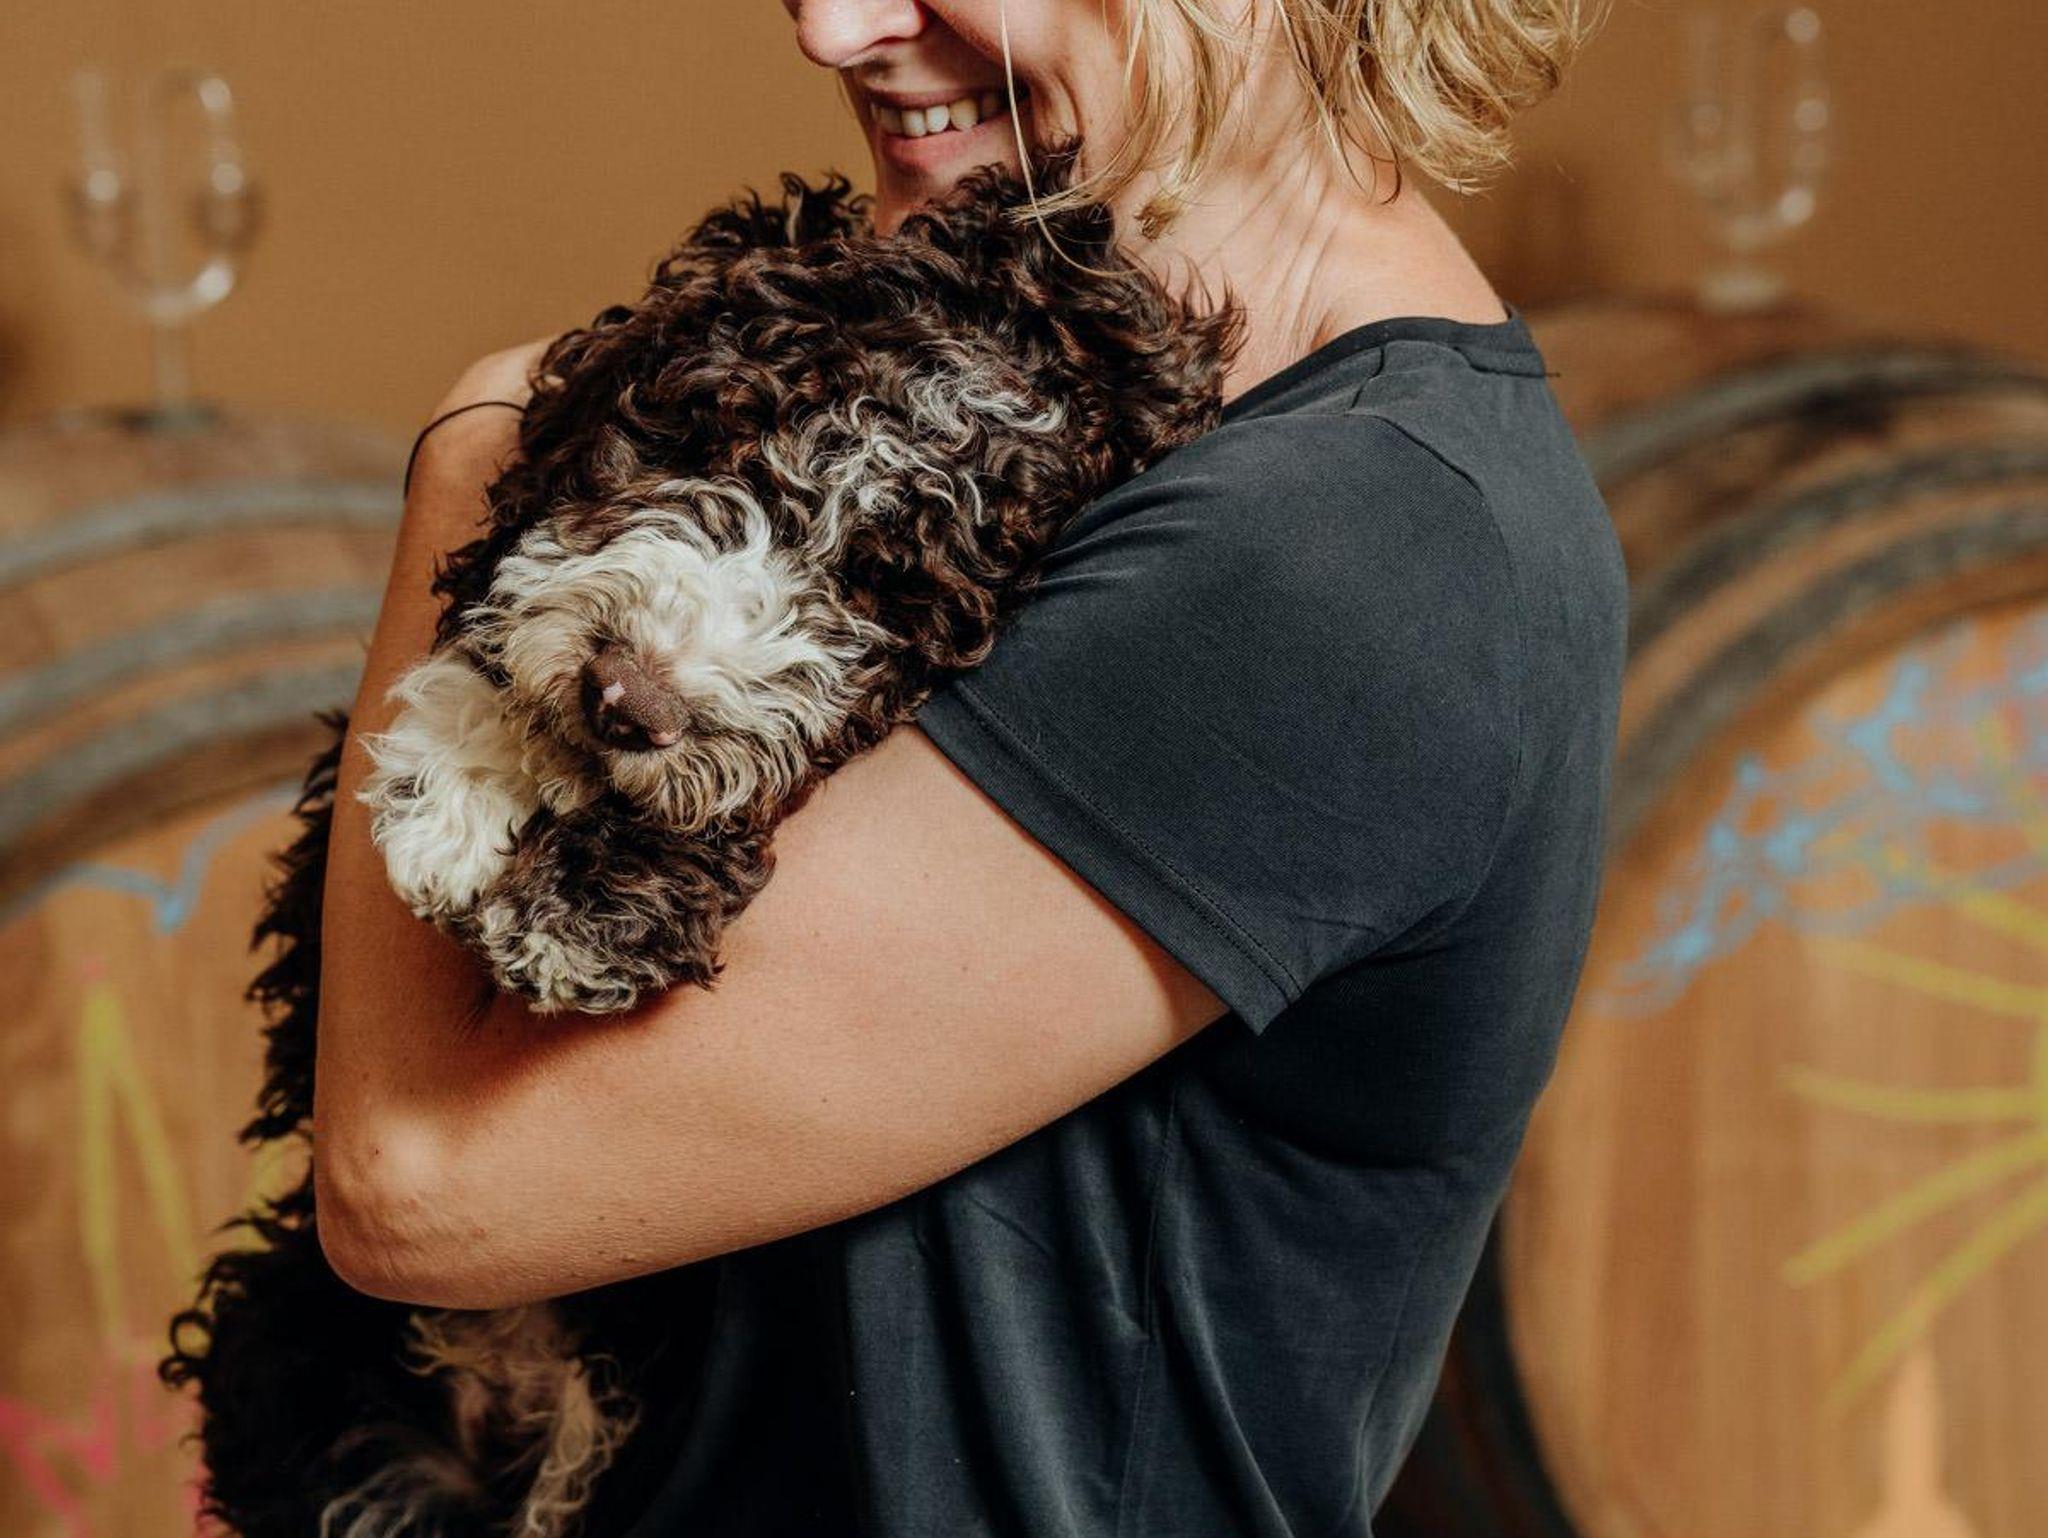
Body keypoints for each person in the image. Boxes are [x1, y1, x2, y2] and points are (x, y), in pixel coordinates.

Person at [313, 0, 1628, 1532]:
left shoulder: (1351, 552)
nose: (833, 27)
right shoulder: (1011, 417)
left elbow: (417, 1184)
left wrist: (485, 446)